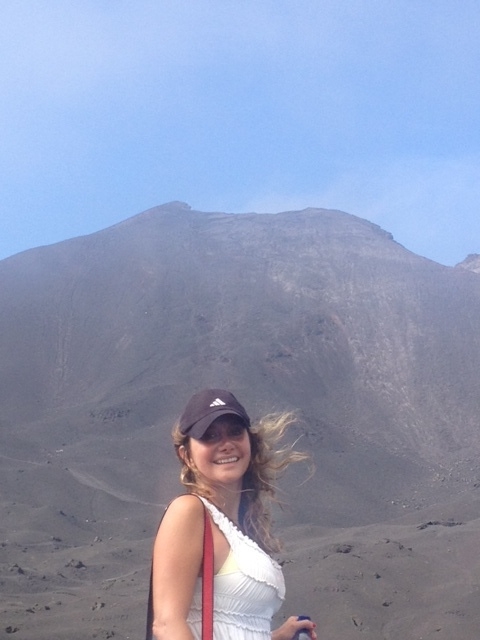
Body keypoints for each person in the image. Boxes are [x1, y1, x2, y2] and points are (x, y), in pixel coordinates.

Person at [150, 388, 317, 640]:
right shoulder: (189, 512)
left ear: (250, 441)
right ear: (186, 455)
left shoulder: (240, 528)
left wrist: (276, 637)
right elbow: (166, 624)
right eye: (210, 436)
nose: (226, 444)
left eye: (235, 432)